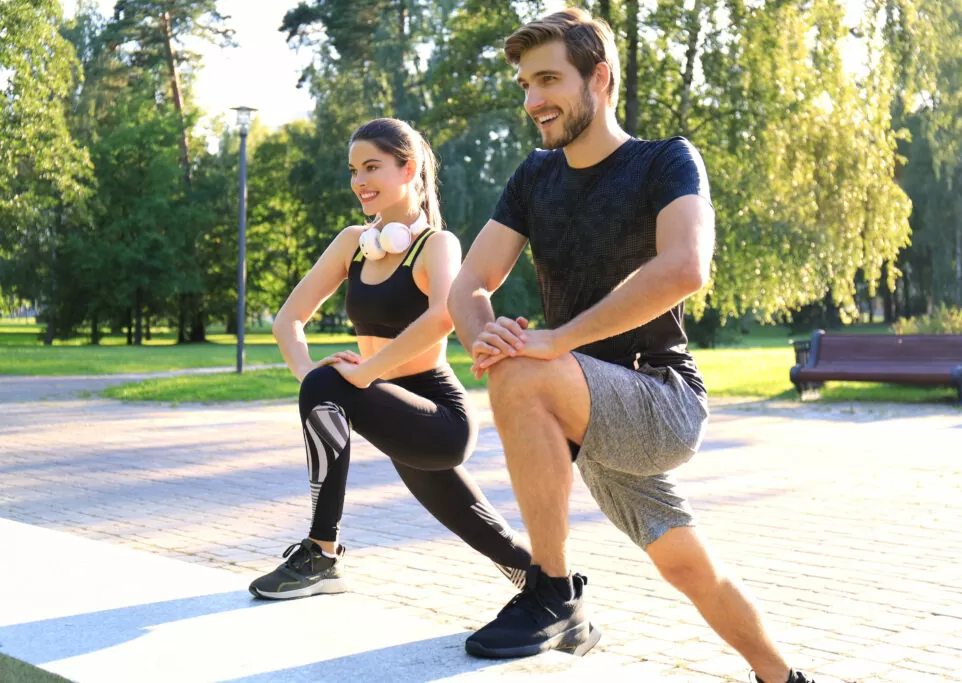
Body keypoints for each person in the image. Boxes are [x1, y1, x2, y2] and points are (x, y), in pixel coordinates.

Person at [447, 10, 815, 683]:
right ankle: (784, 678)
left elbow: (686, 266)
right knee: (688, 566)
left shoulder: (665, 161)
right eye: (526, 85)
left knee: (528, 369)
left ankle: (552, 590)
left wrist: (552, 341)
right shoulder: (535, 176)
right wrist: (483, 333)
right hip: (585, 406)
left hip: (660, 399)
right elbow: (469, 283)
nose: (533, 101)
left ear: (601, 78)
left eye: (550, 80)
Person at [249, 117, 531, 600]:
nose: (359, 180)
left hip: (438, 415)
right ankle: (548, 583)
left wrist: (362, 375)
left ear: (410, 169)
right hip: (384, 405)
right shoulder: (352, 245)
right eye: (353, 169)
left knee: (330, 384)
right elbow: (286, 321)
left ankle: (322, 551)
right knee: (482, 528)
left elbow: (443, 316)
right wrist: (309, 377)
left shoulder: (436, 245)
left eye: (372, 167)